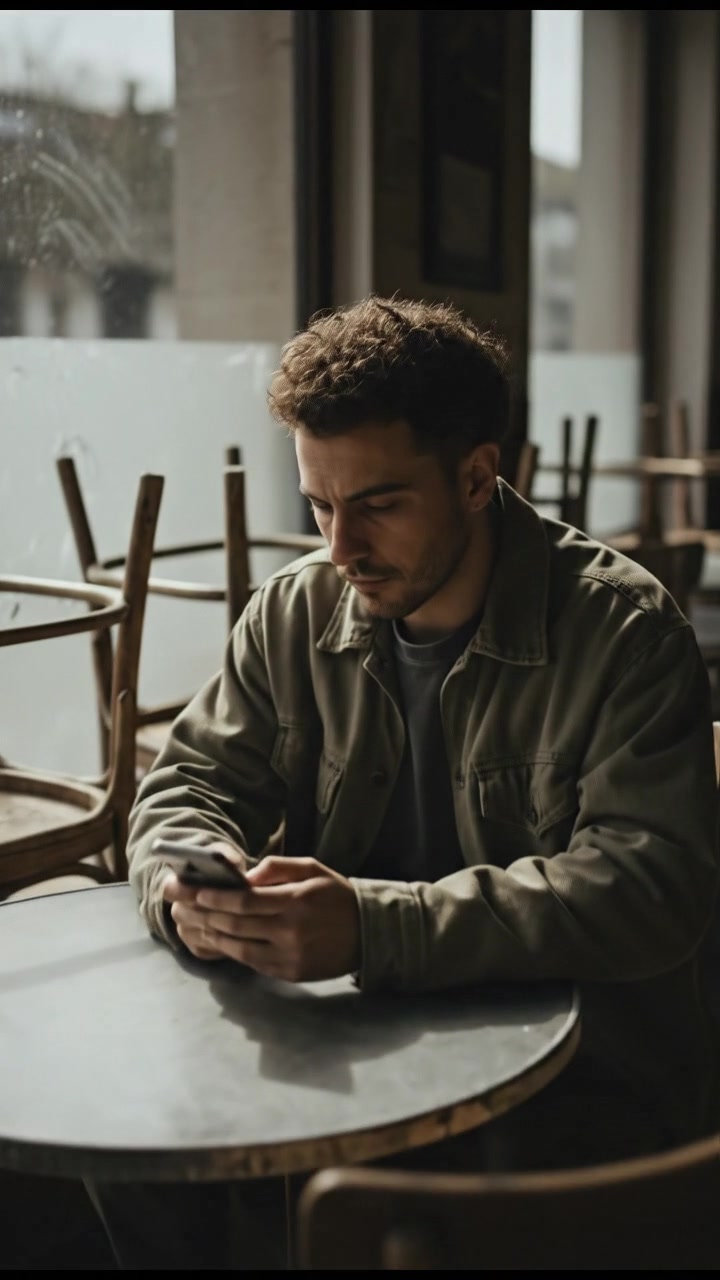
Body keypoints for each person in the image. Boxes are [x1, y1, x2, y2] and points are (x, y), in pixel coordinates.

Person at [88, 294, 720, 1268]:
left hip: (573, 1096)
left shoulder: (627, 633)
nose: (339, 547)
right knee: (118, 1154)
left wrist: (372, 925)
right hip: (348, 1053)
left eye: (377, 504)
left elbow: (649, 889)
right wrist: (190, 883)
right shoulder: (293, 612)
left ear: (477, 475)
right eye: (319, 505)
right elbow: (188, 783)